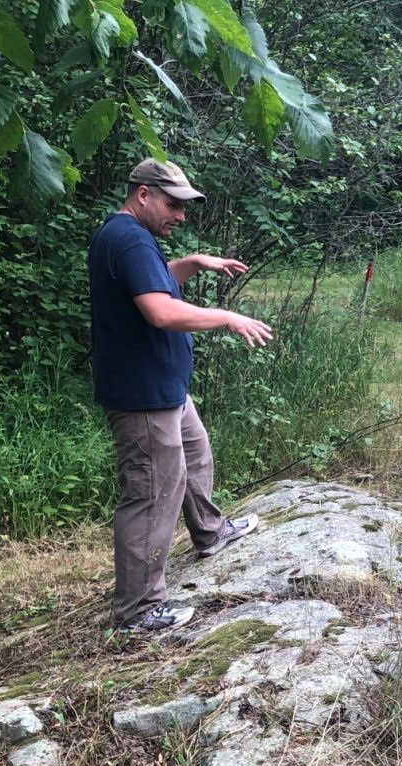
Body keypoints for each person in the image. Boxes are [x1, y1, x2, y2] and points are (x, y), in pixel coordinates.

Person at [87, 158, 271, 634]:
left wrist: (191, 264)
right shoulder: (127, 237)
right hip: (142, 395)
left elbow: (150, 280)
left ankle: (209, 533)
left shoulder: (131, 239)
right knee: (151, 497)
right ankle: (139, 611)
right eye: (173, 204)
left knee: (195, 453)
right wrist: (227, 317)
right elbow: (159, 310)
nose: (181, 216)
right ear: (144, 194)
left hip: (163, 389)